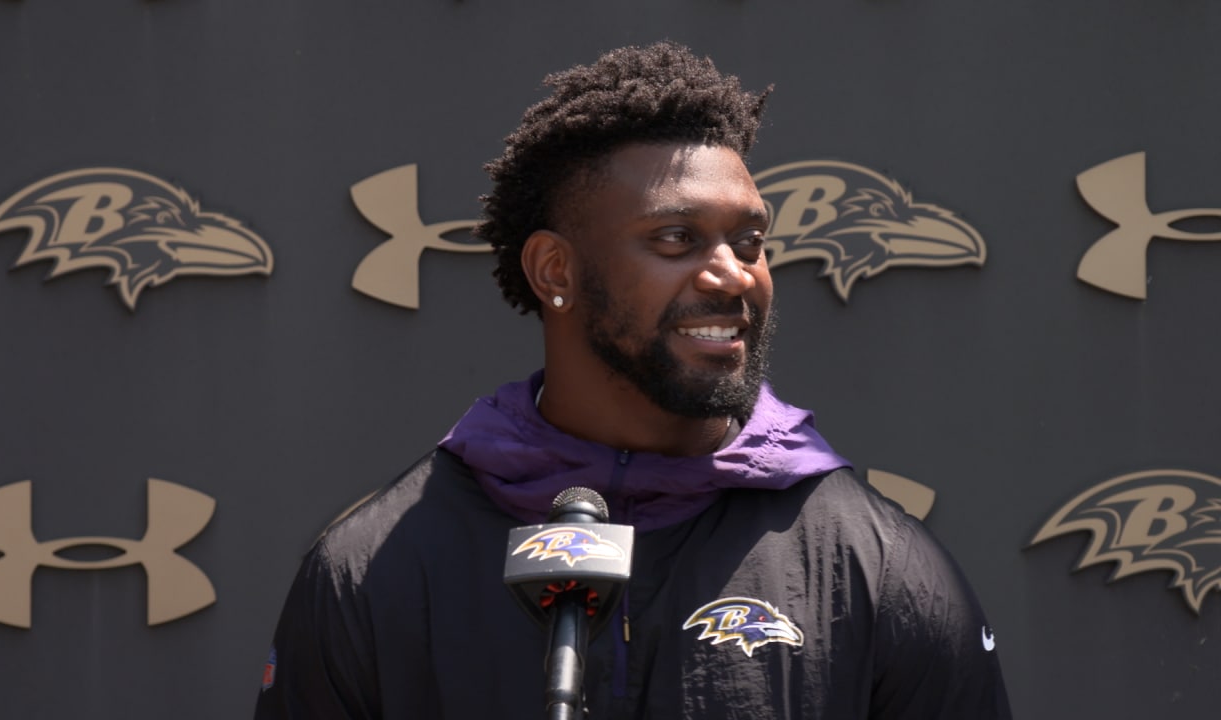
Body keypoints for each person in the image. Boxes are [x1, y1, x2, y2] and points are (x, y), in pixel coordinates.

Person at [255, 42, 1012, 719]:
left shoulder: (880, 565)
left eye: (749, 241)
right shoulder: (376, 569)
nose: (732, 275)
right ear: (557, 271)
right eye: (676, 238)